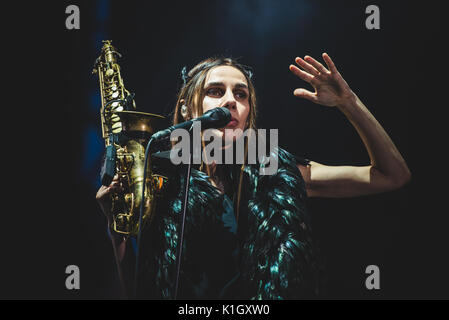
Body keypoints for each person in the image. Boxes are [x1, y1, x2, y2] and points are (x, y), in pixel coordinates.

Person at [96, 53, 411, 299]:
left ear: (248, 117)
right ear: (188, 109)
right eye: (215, 91)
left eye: (241, 95)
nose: (231, 100)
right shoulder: (158, 180)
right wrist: (118, 238)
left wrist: (349, 103)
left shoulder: (277, 171)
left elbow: (391, 175)